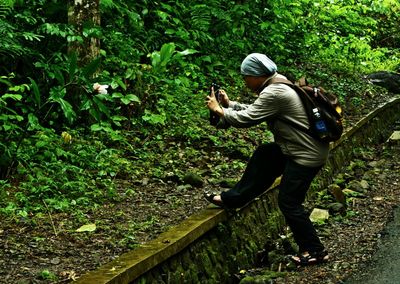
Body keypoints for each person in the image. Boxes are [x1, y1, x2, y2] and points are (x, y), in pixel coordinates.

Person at [205, 53, 329, 266]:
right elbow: (257, 109)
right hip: (297, 148)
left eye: (246, 77)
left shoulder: (275, 91)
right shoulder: (277, 83)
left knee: (289, 202)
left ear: (256, 75)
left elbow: (247, 119)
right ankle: (232, 199)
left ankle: (315, 250)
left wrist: (219, 110)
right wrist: (230, 104)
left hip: (305, 154)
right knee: (266, 154)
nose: (244, 81)